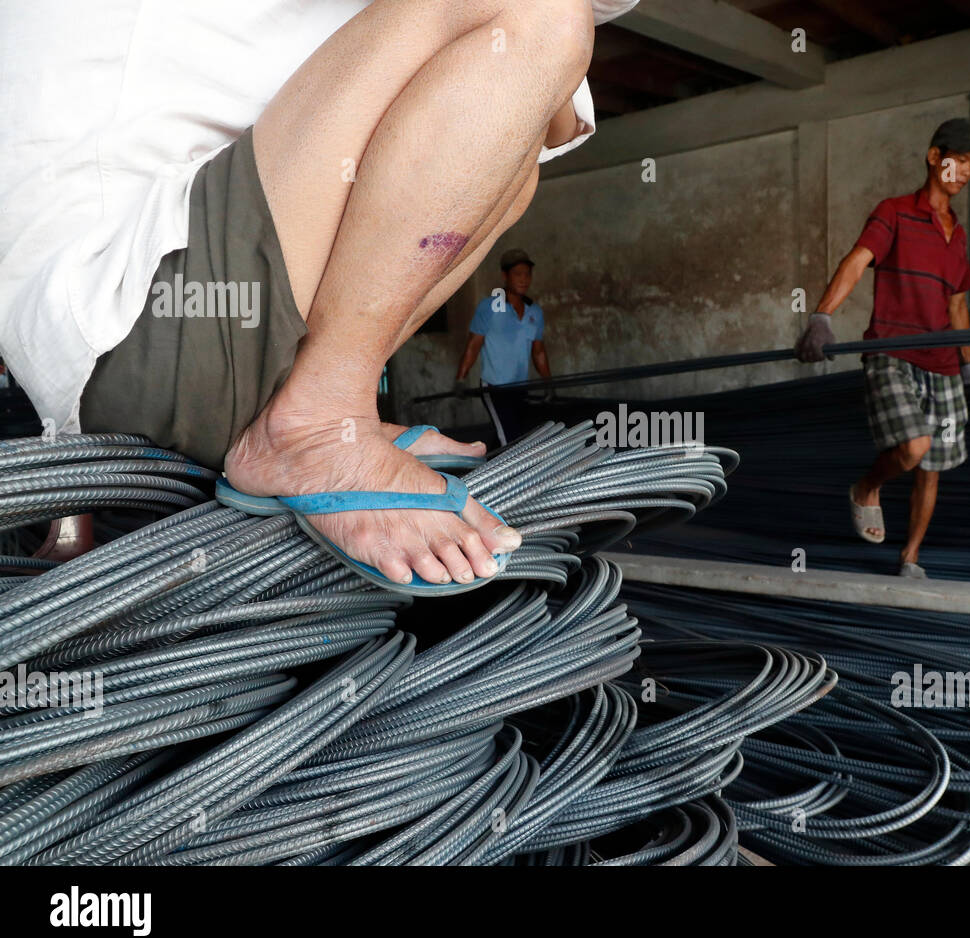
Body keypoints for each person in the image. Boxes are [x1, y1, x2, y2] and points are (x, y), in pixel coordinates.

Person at [0, 0, 640, 590]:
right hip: (132, 317)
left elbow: (551, 112)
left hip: (184, 337)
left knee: (517, 139)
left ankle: (320, 401)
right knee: (534, 12)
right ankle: (314, 416)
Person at [795, 118, 970, 577]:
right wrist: (822, 316)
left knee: (932, 467)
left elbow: (957, 303)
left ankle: (911, 558)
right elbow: (857, 261)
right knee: (914, 447)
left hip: (943, 360)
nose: (965, 172)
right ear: (933, 157)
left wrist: (969, 363)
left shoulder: (958, 234)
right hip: (893, 351)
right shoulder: (895, 212)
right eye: (959, 161)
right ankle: (866, 488)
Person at [453, 248, 553, 447]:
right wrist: (461, 379)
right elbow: (474, 345)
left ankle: (484, 464)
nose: (524, 279)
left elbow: (539, 352)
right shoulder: (489, 307)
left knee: (511, 435)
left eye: (527, 274)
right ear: (505, 276)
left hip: (521, 387)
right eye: (517, 274)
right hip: (495, 388)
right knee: (511, 440)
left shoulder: (535, 311)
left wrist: (548, 382)